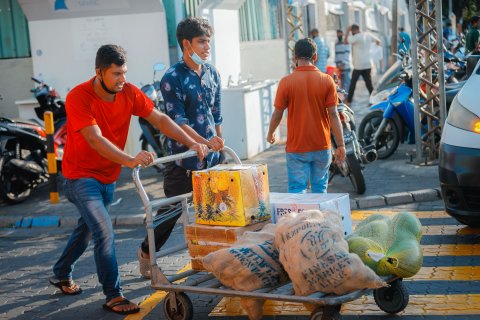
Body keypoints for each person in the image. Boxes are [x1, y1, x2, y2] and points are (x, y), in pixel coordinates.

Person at [49, 44, 209, 315]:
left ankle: (61, 273)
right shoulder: (79, 96)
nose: (122, 79)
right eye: (115, 74)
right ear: (99, 72)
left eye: (124, 72)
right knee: (104, 231)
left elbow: (159, 119)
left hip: (108, 177)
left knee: (87, 229)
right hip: (79, 177)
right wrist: (130, 160)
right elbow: (94, 139)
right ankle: (114, 295)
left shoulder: (129, 92)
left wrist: (193, 142)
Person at [136, 17, 225, 278]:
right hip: (183, 159)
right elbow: (178, 121)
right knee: (171, 213)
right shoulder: (171, 78)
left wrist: (218, 142)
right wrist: (200, 143)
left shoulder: (212, 73)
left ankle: (218, 261)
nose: (207, 47)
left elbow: (216, 113)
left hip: (212, 159)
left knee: (218, 211)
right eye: (201, 42)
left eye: (208, 41)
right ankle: (146, 253)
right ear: (186, 44)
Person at [266, 38, 346, 194]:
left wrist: (271, 133)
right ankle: (318, 219)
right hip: (321, 146)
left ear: (294, 57)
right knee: (320, 190)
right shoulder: (327, 80)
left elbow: (277, 114)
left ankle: (300, 219)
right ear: (315, 57)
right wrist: (341, 144)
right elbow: (334, 115)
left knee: (297, 189)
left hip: (297, 148)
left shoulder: (286, 82)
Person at [344, 24, 381, 105]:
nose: (352, 33)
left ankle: (349, 101)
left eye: (352, 31)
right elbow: (378, 41)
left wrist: (347, 31)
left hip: (359, 65)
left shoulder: (356, 37)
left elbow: (345, 41)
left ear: (354, 30)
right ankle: (374, 100)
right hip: (368, 63)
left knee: (353, 83)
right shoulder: (367, 34)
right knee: (369, 84)